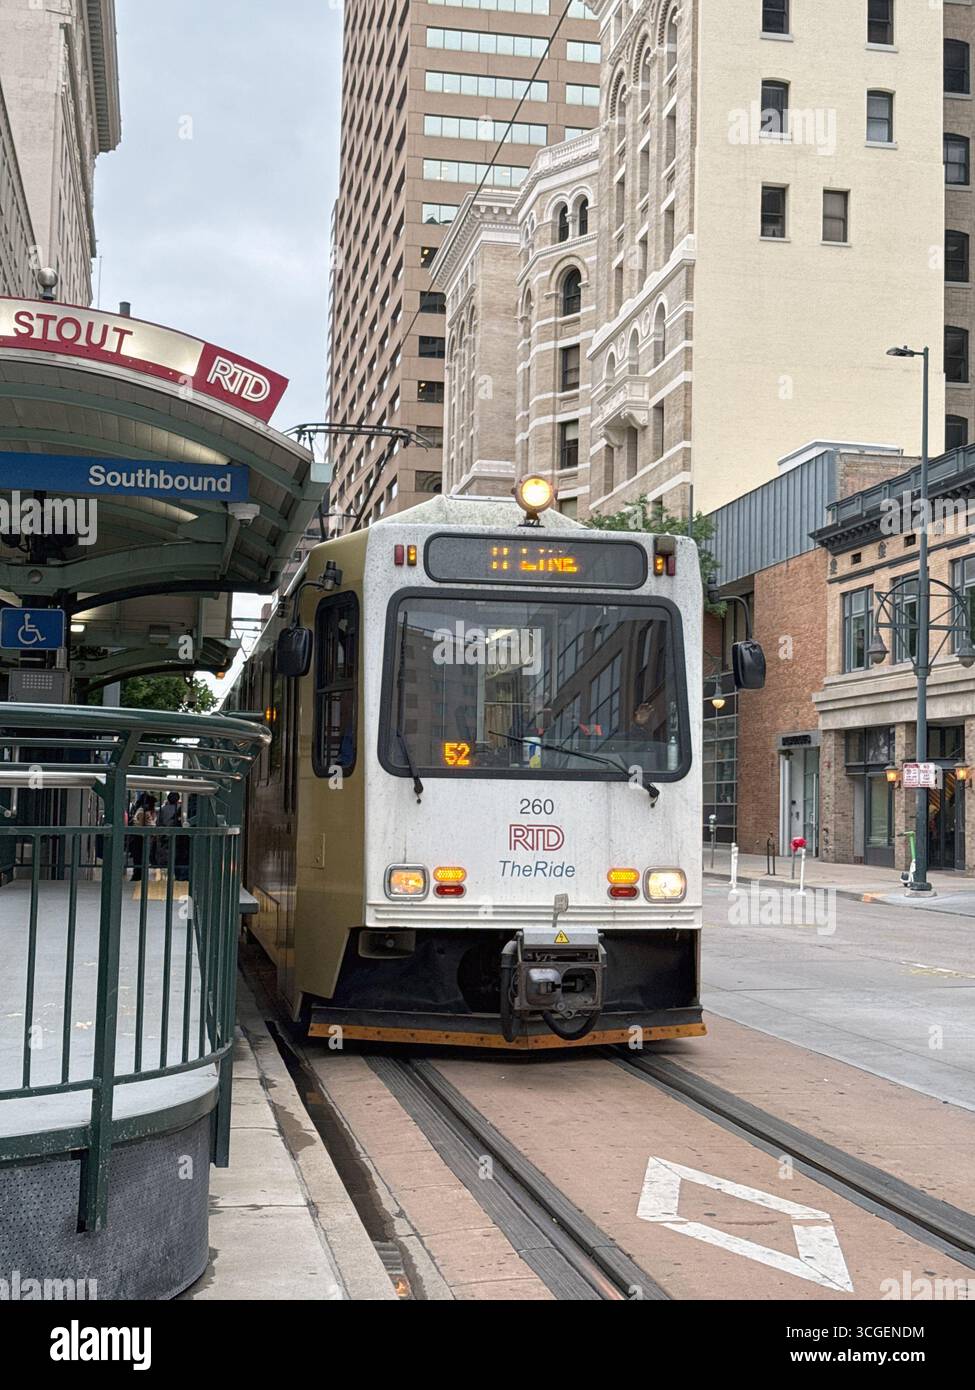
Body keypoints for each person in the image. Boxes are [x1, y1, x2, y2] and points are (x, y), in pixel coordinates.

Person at [130, 793, 156, 881]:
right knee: (140, 858)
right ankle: (138, 876)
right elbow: (149, 825)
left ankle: (137, 875)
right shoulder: (143, 812)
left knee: (138, 858)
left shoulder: (140, 810)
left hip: (137, 838)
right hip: (140, 838)